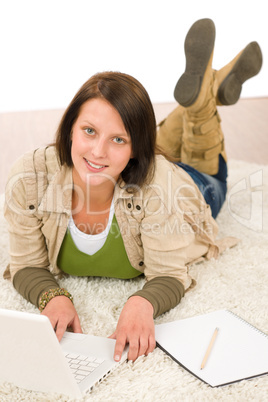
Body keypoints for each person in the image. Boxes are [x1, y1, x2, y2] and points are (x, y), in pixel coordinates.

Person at [3, 18, 262, 363]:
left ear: (134, 149)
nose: (97, 152)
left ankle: (202, 106)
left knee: (202, 157)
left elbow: (168, 274)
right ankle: (203, 94)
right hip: (137, 161)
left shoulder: (162, 187)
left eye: (118, 140)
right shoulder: (31, 176)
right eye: (89, 131)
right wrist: (52, 295)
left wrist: (142, 302)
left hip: (190, 186)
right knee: (146, 135)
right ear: (69, 129)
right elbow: (25, 264)